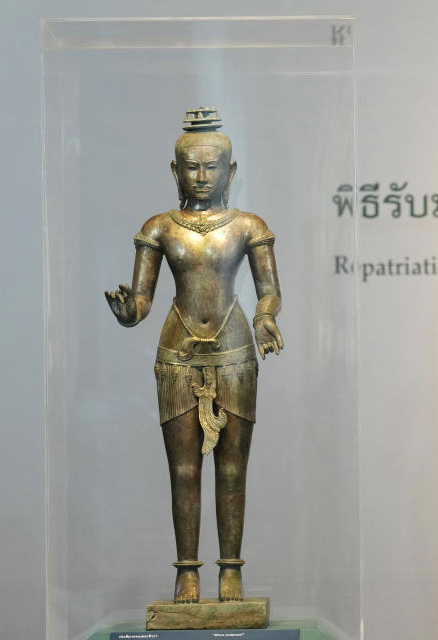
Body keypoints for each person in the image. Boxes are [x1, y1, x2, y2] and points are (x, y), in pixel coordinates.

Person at [105, 107, 284, 604]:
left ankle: (232, 570)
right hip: (178, 351)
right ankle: (187, 571)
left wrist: (267, 316)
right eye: (192, 167)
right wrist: (129, 311)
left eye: (212, 167)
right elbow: (142, 301)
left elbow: (269, 290)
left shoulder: (248, 225)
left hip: (234, 350)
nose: (202, 177)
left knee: (231, 469)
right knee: (183, 469)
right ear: (174, 171)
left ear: (231, 171)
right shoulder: (160, 227)